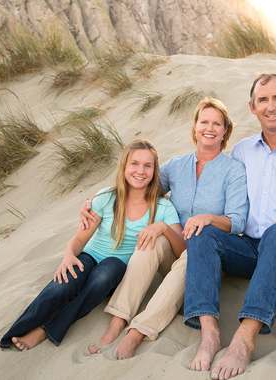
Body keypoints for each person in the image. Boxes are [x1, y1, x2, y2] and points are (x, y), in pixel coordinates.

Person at [184, 73, 276, 380]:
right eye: (263, 100)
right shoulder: (241, 151)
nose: (271, 106)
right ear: (252, 107)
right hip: (247, 248)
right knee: (202, 232)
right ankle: (209, 333)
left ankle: (245, 337)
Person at [0, 139, 181, 361]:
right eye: (135, 164)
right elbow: (80, 238)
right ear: (124, 167)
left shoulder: (163, 208)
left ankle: (45, 331)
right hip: (89, 257)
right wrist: (68, 256)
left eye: (148, 165)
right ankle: (4, 339)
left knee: (104, 275)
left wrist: (165, 229)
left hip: (119, 271)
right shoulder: (106, 198)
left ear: (155, 170)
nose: (140, 171)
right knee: (60, 287)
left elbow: (181, 250)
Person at [80, 98, 248, 359]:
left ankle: (139, 331)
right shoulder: (175, 166)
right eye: (204, 121)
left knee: (192, 254)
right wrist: (95, 200)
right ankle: (117, 321)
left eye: (217, 123)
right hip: (174, 248)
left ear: (225, 130)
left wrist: (209, 218)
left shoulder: (233, 170)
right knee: (153, 242)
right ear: (195, 126)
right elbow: (139, 184)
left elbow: (237, 221)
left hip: (209, 256)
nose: (210, 128)